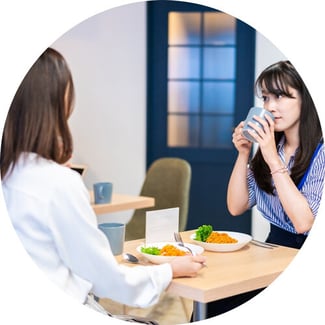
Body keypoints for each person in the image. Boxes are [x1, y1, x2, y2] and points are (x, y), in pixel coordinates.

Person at [0, 48, 206, 316]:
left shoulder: (15, 175)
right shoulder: (57, 184)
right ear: (56, 102)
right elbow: (108, 279)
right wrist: (168, 271)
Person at [202, 60, 325, 319]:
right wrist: (244, 153)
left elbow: (304, 222)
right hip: (273, 253)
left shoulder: (319, 154)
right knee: (214, 300)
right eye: (266, 97)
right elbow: (236, 207)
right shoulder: (273, 148)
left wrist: (271, 156)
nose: (269, 107)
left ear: (307, 98)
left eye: (281, 96)